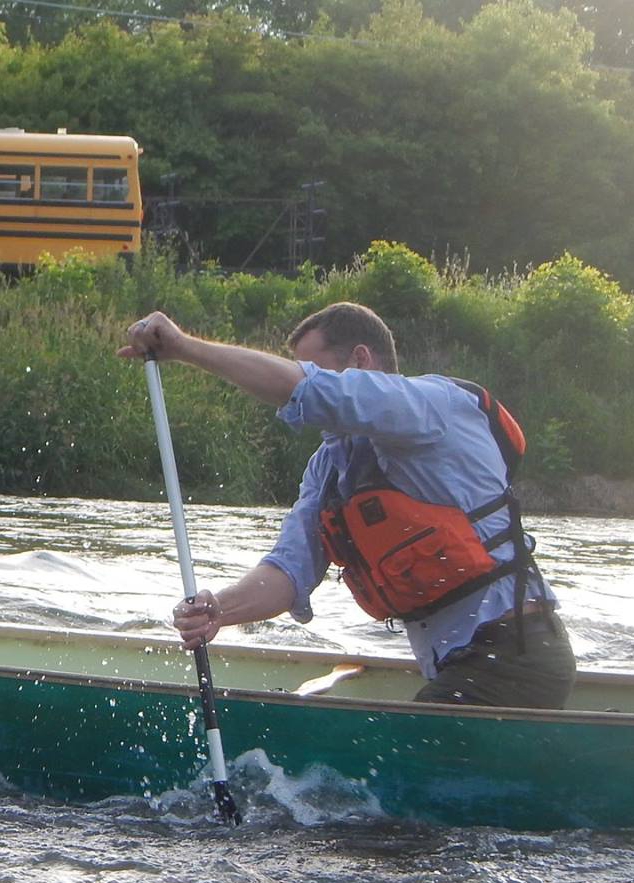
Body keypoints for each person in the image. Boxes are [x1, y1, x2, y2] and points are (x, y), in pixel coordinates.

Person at [119, 302, 574, 709]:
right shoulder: (328, 467)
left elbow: (307, 392)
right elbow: (289, 570)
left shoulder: (430, 405)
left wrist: (183, 348)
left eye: (314, 369)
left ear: (361, 360)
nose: (304, 384)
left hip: (516, 653)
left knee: (394, 785)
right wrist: (218, 609)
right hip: (458, 665)